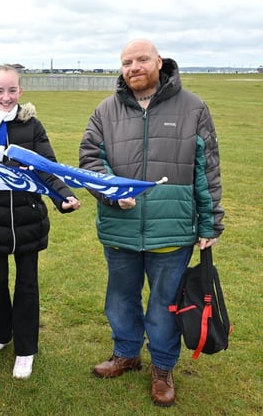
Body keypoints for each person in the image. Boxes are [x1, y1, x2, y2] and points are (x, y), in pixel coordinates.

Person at [79, 39, 224, 407]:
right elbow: (90, 161)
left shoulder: (193, 107)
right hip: (120, 229)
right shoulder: (104, 111)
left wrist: (209, 225)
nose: (133, 67)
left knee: (163, 305)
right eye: (127, 62)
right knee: (120, 300)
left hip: (171, 230)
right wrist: (113, 193)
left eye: (142, 59)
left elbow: (206, 171)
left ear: (159, 62)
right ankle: (126, 353)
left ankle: (162, 368)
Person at [0, 65, 81, 379]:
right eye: (0, 91)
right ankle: (0, 334)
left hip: (27, 217)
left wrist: (62, 196)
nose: (6, 97)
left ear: (20, 92)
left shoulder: (31, 125)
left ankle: (25, 349)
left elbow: (46, 167)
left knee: (27, 284)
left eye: (12, 91)